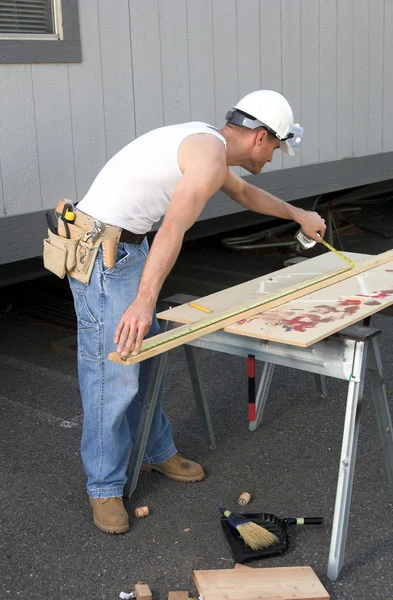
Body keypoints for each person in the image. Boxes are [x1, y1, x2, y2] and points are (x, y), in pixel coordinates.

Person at [68, 89, 326, 534]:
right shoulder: (208, 156)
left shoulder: (210, 147)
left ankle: (154, 450)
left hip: (126, 248)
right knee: (112, 370)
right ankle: (104, 487)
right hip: (103, 256)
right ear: (261, 138)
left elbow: (246, 193)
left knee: (146, 358)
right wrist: (144, 301)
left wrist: (299, 214)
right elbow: (173, 227)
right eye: (277, 148)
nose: (273, 157)